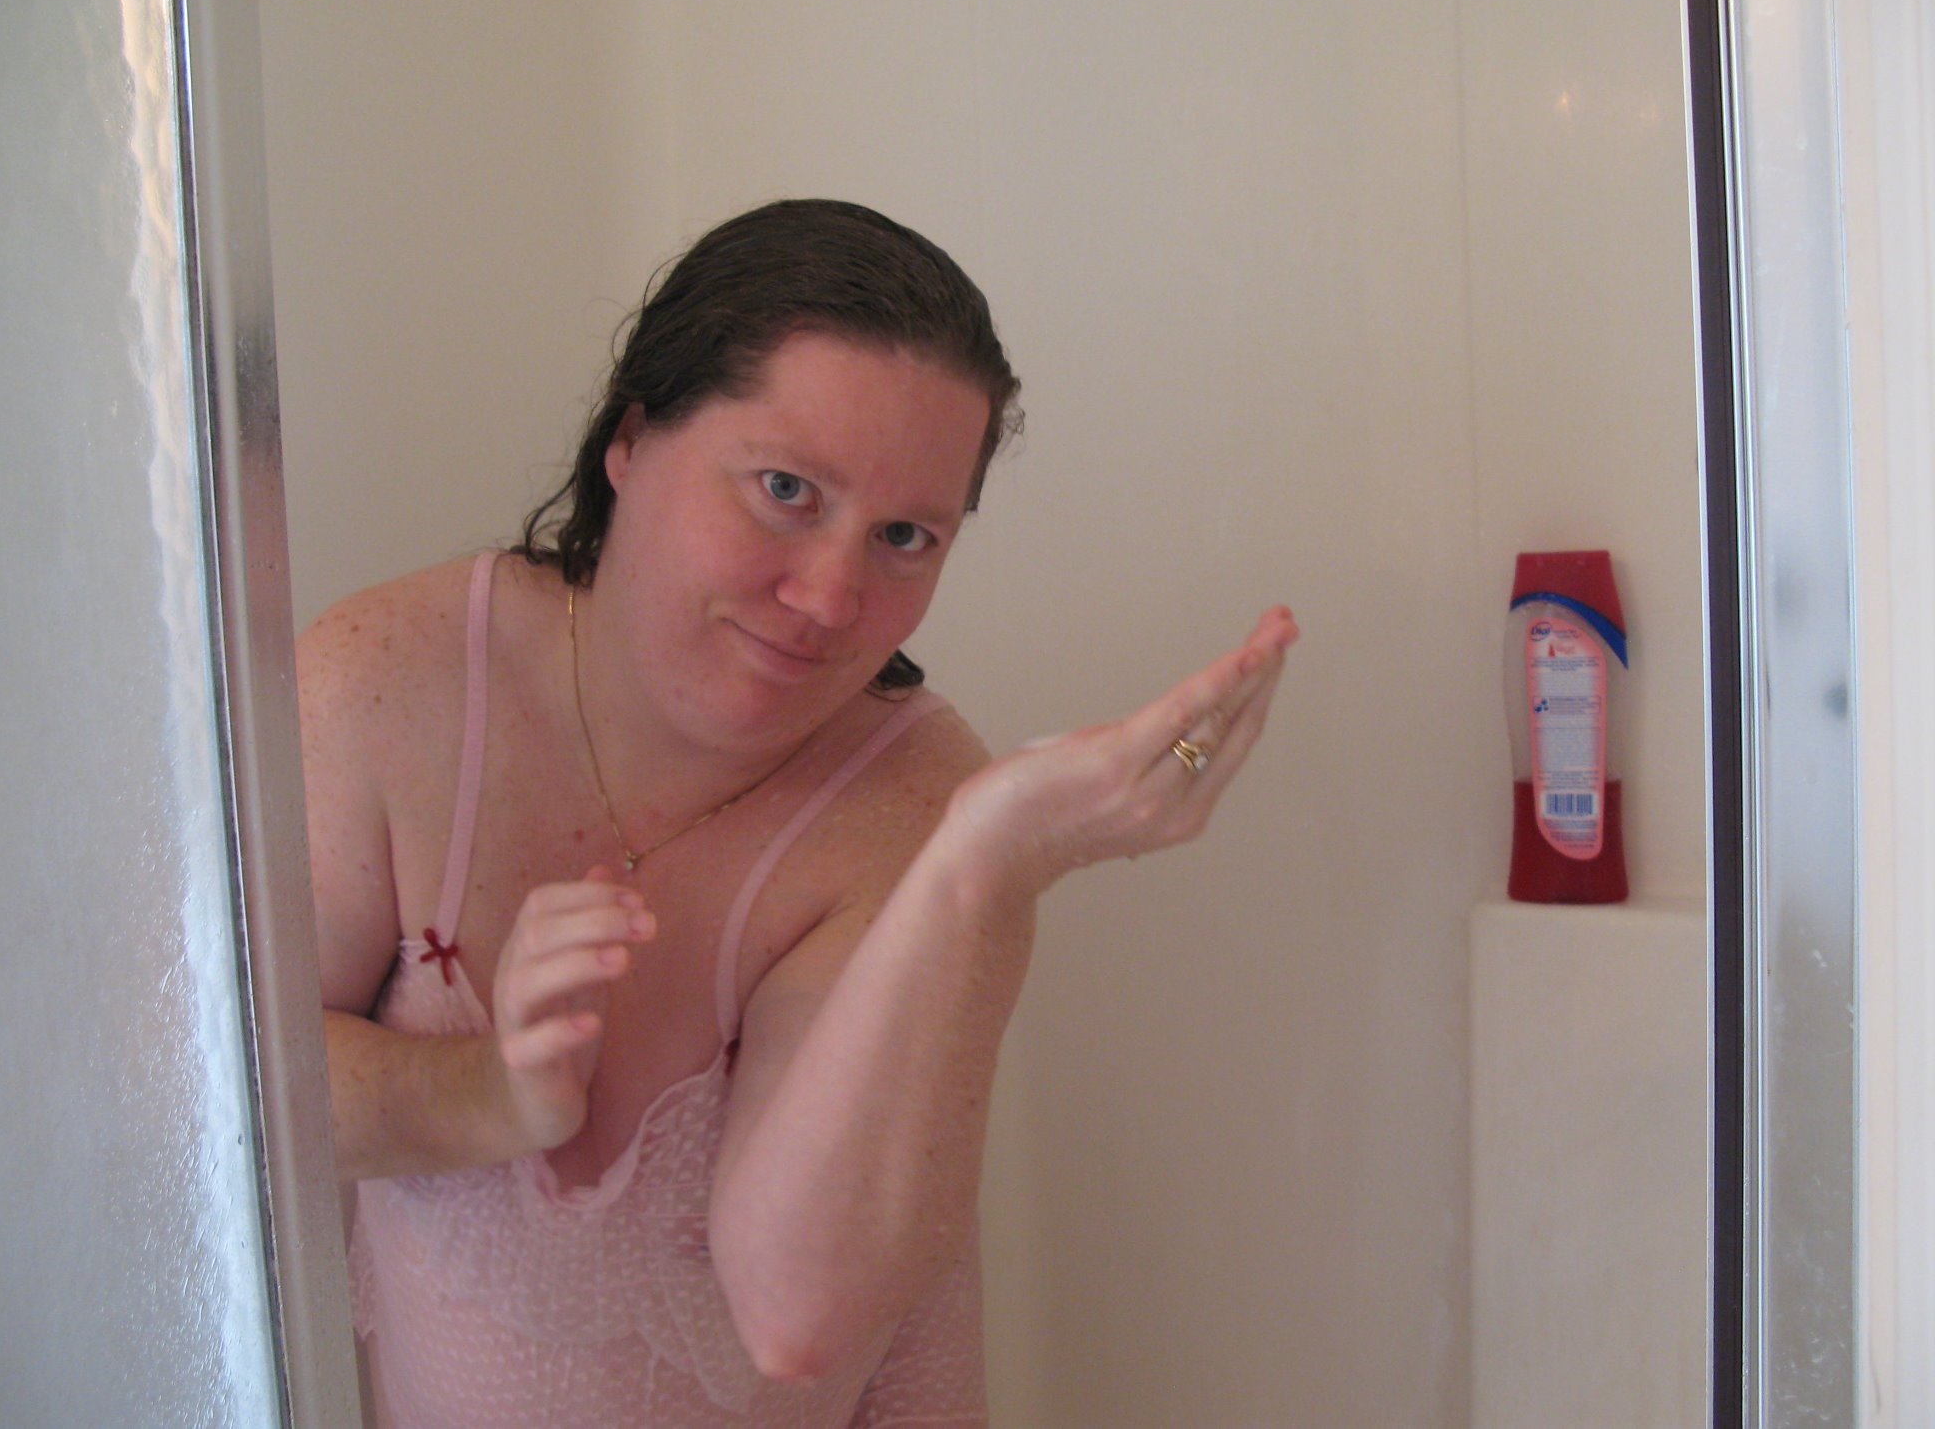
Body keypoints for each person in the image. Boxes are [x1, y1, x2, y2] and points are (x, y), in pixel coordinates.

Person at [302, 198, 1298, 1428]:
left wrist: (977, 869)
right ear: (630, 440)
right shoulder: (384, 687)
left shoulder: (914, 805)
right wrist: (485, 1096)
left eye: (904, 536)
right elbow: (217, 1096)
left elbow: (796, 1308)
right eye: (784, 489)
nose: (830, 596)